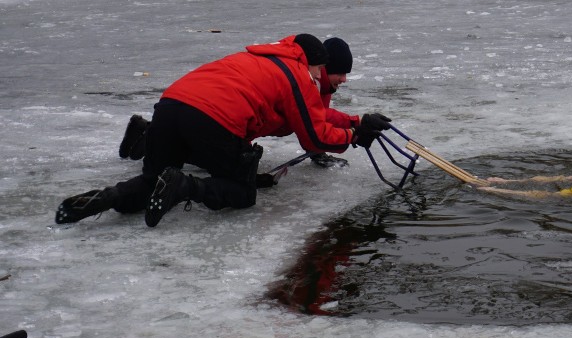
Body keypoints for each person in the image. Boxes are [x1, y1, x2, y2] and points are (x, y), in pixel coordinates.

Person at [55, 34, 392, 227]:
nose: (323, 77)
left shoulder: (260, 58)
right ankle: (183, 184)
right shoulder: (298, 76)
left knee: (149, 181)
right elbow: (314, 136)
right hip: (211, 119)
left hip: (170, 107)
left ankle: (103, 199)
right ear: (315, 64)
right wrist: (354, 136)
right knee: (242, 192)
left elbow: (313, 115)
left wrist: (355, 122)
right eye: (324, 70)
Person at [117, 37, 362, 168]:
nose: (345, 79)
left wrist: (353, 123)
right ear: (322, 68)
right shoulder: (306, 80)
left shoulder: (320, 84)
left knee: (204, 151)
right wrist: (353, 131)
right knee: (223, 168)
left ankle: (147, 135)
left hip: (230, 121)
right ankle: (148, 136)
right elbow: (314, 125)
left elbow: (316, 118)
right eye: (340, 72)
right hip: (228, 120)